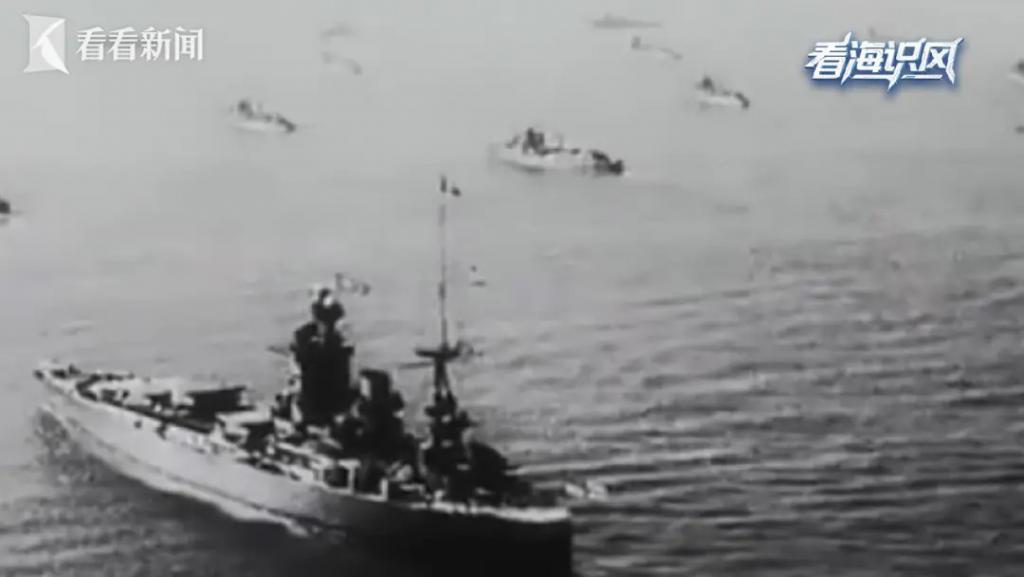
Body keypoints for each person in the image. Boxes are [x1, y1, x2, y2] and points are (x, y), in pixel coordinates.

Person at [288, 286, 355, 429]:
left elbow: (299, 364)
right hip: (322, 402)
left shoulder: (308, 337)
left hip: (322, 402)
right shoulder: (308, 337)